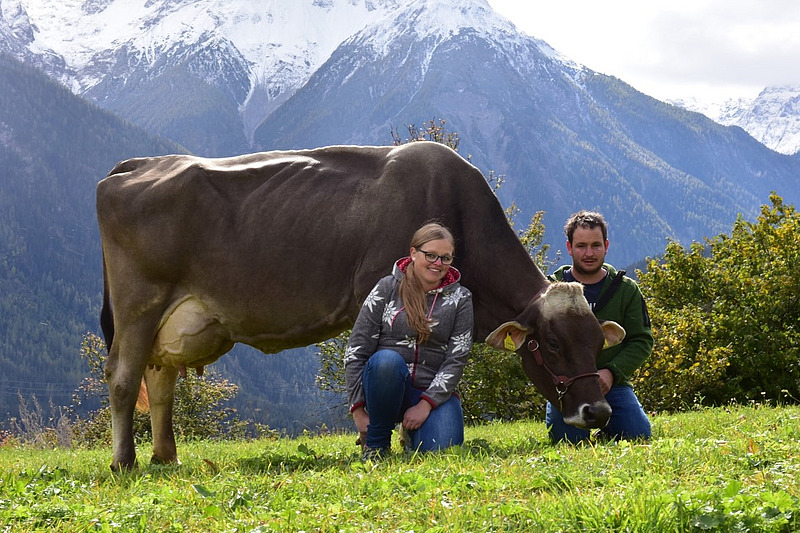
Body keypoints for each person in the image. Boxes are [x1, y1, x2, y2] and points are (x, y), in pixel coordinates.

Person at [344, 222, 474, 461]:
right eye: (431, 255)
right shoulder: (387, 288)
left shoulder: (461, 298)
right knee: (386, 362)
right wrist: (358, 410)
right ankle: (376, 444)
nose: (438, 264)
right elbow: (356, 350)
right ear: (414, 253)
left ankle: (412, 432)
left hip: (432, 392)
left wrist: (426, 405)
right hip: (385, 386)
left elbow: (456, 358)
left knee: (441, 451)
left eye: (445, 258)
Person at [547, 210, 653, 443]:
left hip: (612, 385)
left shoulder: (626, 290)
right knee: (567, 441)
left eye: (596, 245)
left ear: (606, 246)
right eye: (581, 246)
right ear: (569, 247)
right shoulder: (551, 290)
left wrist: (612, 372)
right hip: (569, 388)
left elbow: (642, 340)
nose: (589, 253)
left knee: (637, 435)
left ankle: (607, 430)